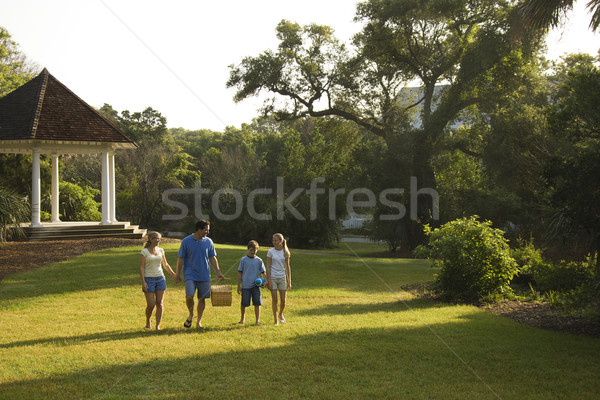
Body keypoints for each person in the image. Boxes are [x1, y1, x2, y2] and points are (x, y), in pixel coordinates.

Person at [175, 220, 224, 329]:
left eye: (208, 230)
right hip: (190, 274)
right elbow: (181, 258)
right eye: (206, 230)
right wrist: (177, 274)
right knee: (189, 296)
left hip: (204, 275)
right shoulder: (186, 241)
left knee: (202, 299)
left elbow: (212, 258)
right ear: (199, 229)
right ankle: (191, 315)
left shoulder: (208, 242)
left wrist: (218, 272)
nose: (207, 232)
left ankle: (199, 322)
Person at [139, 231, 177, 331]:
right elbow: (141, 268)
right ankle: (148, 321)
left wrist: (174, 275)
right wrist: (143, 282)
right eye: (156, 239)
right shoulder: (144, 252)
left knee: (159, 303)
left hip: (160, 278)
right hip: (149, 279)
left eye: (159, 239)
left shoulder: (161, 250)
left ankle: (157, 326)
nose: (158, 241)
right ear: (150, 239)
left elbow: (165, 264)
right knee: (151, 304)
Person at [237, 240, 266, 326]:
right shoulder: (243, 260)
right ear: (248, 249)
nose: (253, 252)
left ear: (257, 250)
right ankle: (242, 319)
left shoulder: (259, 260)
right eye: (251, 250)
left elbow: (263, 272)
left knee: (257, 303)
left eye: (255, 250)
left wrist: (265, 281)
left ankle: (257, 321)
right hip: (245, 286)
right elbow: (240, 273)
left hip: (256, 286)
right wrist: (239, 285)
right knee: (244, 303)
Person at [266, 233, 291, 325]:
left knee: (283, 300)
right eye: (273, 240)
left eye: (276, 240)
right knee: (274, 299)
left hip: (282, 278)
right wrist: (268, 280)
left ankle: (280, 314)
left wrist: (289, 281)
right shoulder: (270, 252)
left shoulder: (285, 252)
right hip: (273, 277)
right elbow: (268, 267)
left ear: (281, 241)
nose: (274, 242)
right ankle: (275, 319)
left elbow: (288, 267)